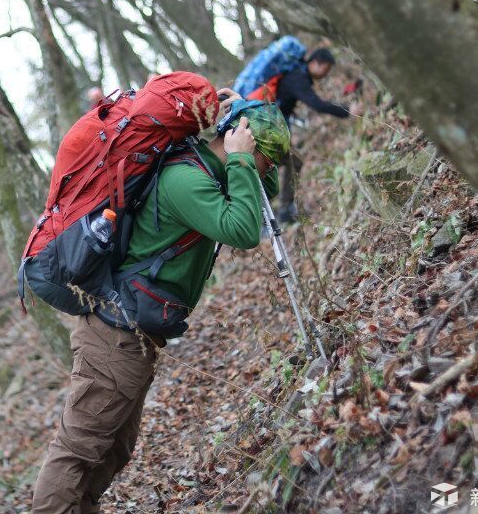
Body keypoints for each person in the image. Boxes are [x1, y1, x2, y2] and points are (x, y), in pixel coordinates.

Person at [31, 99, 290, 514]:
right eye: (266, 157)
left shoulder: (210, 168)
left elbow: (263, 189)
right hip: (114, 335)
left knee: (115, 448)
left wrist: (242, 119)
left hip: (132, 334)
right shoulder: (187, 181)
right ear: (235, 142)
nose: (266, 169)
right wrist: (242, 157)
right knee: (79, 449)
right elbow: (243, 230)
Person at [269, 47, 352, 224]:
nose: (326, 74)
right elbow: (317, 104)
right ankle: (274, 214)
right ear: (315, 63)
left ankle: (282, 211)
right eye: (326, 69)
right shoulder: (298, 78)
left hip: (270, 127)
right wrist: (347, 111)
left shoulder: (297, 75)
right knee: (278, 165)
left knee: (290, 162)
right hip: (268, 129)